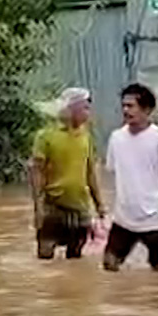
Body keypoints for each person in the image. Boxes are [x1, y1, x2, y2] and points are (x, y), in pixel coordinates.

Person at [103, 84, 158, 272]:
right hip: (124, 217)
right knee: (109, 265)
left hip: (155, 218)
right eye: (123, 106)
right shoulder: (116, 138)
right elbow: (113, 170)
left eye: (131, 106)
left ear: (147, 109)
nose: (125, 110)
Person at [30, 88, 105, 260]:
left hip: (80, 207)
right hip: (53, 205)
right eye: (85, 108)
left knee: (75, 257)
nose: (88, 113)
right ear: (71, 109)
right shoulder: (45, 136)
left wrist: (100, 205)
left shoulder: (86, 136)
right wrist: (38, 208)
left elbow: (91, 173)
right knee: (45, 254)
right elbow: (37, 173)